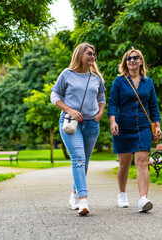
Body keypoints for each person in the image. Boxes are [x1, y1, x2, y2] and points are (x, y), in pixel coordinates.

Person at [50, 43, 106, 215]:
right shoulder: (67, 74)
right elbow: (54, 95)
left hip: (91, 124)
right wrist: (68, 109)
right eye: (89, 53)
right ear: (80, 54)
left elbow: (101, 97)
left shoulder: (96, 77)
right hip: (70, 124)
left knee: (84, 162)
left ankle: (74, 193)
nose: (92, 57)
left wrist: (100, 114)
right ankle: (83, 200)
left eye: (94, 54)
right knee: (79, 159)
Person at [108, 47, 162, 212]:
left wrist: (157, 125)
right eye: (128, 58)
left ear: (141, 61)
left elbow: (153, 106)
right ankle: (122, 193)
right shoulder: (119, 81)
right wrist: (113, 122)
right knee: (124, 164)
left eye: (135, 58)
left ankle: (143, 199)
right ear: (125, 62)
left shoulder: (148, 82)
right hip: (123, 125)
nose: (132, 60)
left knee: (142, 162)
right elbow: (113, 104)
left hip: (143, 126)